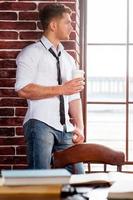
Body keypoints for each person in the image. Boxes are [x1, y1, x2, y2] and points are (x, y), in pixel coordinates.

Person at [15, 3, 85, 174]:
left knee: (78, 177)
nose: (71, 26)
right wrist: (62, 89)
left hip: (66, 129)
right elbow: (23, 89)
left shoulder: (69, 59)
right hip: (39, 124)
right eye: (67, 22)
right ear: (53, 25)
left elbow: (74, 96)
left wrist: (81, 128)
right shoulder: (30, 53)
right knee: (39, 179)